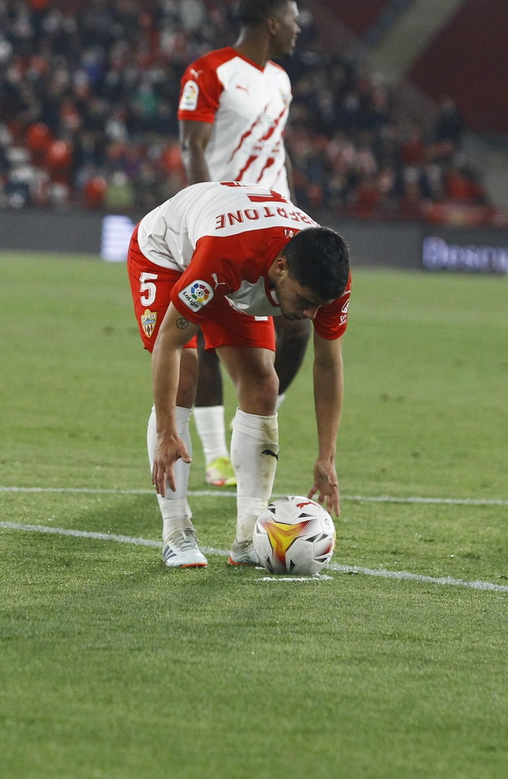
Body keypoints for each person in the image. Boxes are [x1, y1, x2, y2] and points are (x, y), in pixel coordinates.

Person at [126, 180, 351, 568]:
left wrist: (326, 456)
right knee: (187, 373)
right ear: (282, 268)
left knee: (263, 385)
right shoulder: (227, 255)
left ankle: (249, 539)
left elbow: (328, 362)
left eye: (320, 306)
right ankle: (176, 533)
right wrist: (167, 431)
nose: (312, 315)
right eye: (306, 302)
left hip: (239, 269)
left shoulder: (330, 281)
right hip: (167, 254)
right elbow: (170, 343)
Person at [176, 0, 304, 491]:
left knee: (298, 326)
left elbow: (276, 149)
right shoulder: (209, 73)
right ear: (271, 23)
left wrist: (295, 210)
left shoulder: (281, 80)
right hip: (224, 221)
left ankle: (254, 415)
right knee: (208, 334)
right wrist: (203, 213)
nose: (298, 28)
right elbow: (192, 147)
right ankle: (216, 456)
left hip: (278, 224)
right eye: (293, 19)